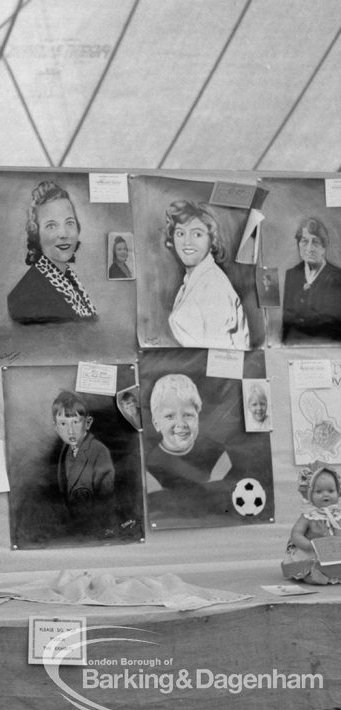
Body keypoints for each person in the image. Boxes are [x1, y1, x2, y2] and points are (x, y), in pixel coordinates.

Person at [145, 373, 239, 517]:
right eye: (170, 416)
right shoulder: (150, 466)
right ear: (156, 423)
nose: (181, 424)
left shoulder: (218, 454)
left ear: (197, 417)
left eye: (187, 415)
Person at [7, 180, 98, 324]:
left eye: (69, 223)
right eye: (51, 226)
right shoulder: (26, 296)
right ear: (36, 234)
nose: (63, 234)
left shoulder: (70, 279)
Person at [163, 200, 250, 350]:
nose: (187, 242)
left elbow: (221, 356)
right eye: (180, 233)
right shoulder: (194, 279)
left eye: (197, 234)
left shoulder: (213, 286)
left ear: (212, 241)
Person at [52, 391, 114, 509]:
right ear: (56, 427)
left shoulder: (99, 451)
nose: (70, 430)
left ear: (88, 423)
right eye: (63, 424)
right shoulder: (65, 451)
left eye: (75, 422)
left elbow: (106, 498)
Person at [282, 217, 341, 342]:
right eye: (304, 241)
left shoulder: (337, 277)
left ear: (324, 247)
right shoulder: (292, 274)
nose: (309, 248)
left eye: (316, 242)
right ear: (298, 244)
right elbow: (286, 323)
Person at [282, 464, 341, 584]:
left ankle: (333, 573)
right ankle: (313, 575)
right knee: (309, 563)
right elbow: (296, 533)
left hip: (335, 552)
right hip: (312, 552)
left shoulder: (338, 515)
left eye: (331, 490)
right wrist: (308, 545)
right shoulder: (309, 516)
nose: (326, 494)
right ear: (309, 494)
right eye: (318, 491)